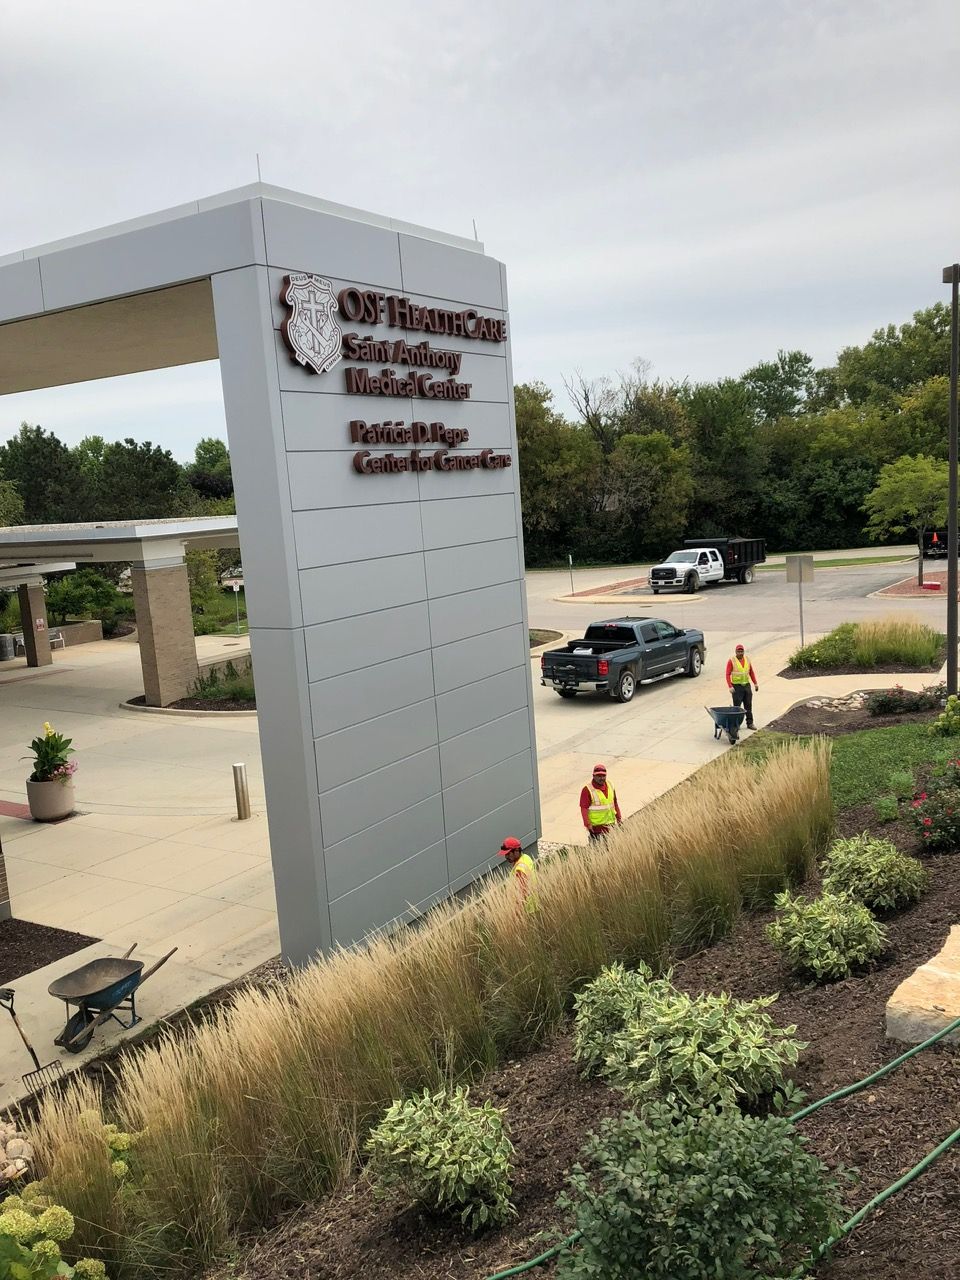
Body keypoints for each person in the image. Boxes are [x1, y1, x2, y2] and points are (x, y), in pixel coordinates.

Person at [579, 763, 622, 840]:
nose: (601, 778)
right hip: (596, 829)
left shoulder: (610, 785)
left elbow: (615, 803)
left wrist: (619, 818)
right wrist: (588, 825)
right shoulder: (587, 790)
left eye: (603, 776)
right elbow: (583, 808)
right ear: (593, 776)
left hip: (611, 826)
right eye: (599, 776)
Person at [498, 837, 539, 913]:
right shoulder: (526, 857)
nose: (506, 857)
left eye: (508, 853)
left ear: (516, 851)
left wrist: (517, 912)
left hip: (526, 909)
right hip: (533, 903)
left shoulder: (520, 869)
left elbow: (522, 892)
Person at [725, 642, 759, 729]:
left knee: (748, 706)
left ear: (743, 652)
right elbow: (727, 674)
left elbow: (751, 672)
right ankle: (736, 725)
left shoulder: (747, 659)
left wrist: (755, 683)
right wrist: (730, 686)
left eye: (741, 651)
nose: (740, 653)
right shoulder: (731, 661)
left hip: (746, 686)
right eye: (738, 651)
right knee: (737, 708)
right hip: (736, 687)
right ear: (735, 652)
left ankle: (750, 723)